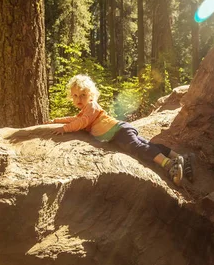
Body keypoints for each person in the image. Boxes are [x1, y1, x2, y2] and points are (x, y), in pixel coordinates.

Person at [50, 74, 187, 186]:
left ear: (91, 95)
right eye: (75, 95)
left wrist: (65, 129)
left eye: (83, 95)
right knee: (146, 144)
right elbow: (75, 118)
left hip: (118, 131)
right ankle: (176, 156)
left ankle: (169, 165)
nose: (79, 99)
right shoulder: (85, 111)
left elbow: (82, 122)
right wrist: (56, 121)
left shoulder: (91, 106)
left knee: (137, 147)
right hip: (120, 130)